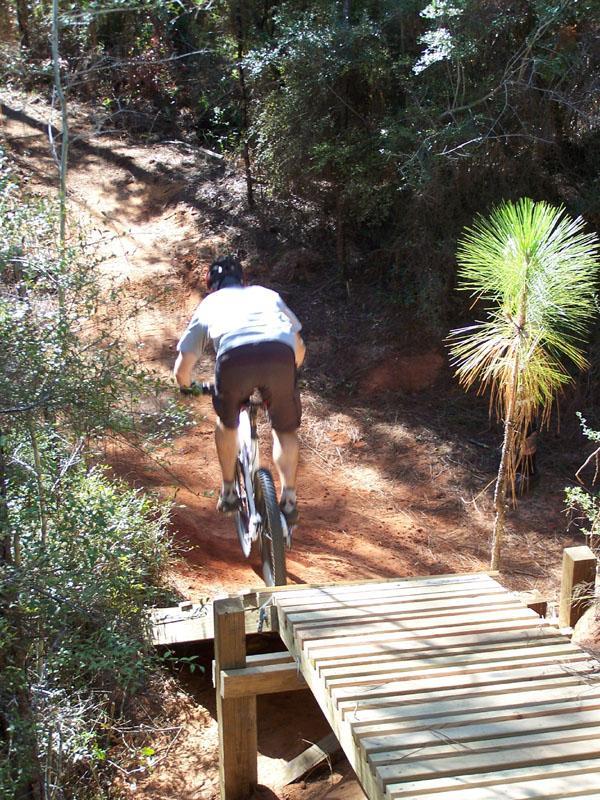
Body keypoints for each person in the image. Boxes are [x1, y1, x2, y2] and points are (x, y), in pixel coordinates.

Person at [173, 255, 306, 525]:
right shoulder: (267, 295)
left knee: (227, 422)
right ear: (243, 280)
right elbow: (298, 346)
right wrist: (291, 372)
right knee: (284, 429)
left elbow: (183, 365)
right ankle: (289, 498)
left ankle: (230, 490)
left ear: (212, 285)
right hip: (280, 356)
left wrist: (186, 387)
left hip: (234, 360)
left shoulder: (209, 304)